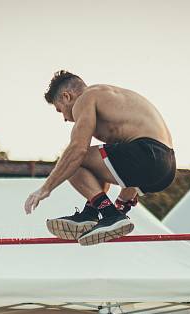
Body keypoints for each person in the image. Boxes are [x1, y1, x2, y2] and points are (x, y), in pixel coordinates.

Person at [25, 70, 176, 246]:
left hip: (147, 154)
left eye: (60, 111)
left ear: (67, 97)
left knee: (72, 160)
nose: (65, 119)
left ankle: (109, 214)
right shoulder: (113, 101)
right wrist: (122, 203)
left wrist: (45, 189)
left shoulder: (86, 98)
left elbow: (77, 151)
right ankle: (93, 212)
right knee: (99, 158)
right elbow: (115, 164)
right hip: (166, 167)